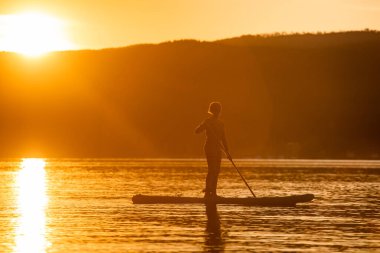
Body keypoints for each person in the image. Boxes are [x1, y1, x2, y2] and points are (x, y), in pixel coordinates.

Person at [195, 102, 229, 199]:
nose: (218, 112)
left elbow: (224, 138)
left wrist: (227, 151)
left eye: (218, 110)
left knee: (217, 171)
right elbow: (196, 131)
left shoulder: (221, 124)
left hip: (218, 149)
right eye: (216, 110)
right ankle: (207, 194)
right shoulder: (207, 121)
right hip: (209, 147)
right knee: (212, 169)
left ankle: (213, 193)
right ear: (212, 111)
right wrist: (204, 125)